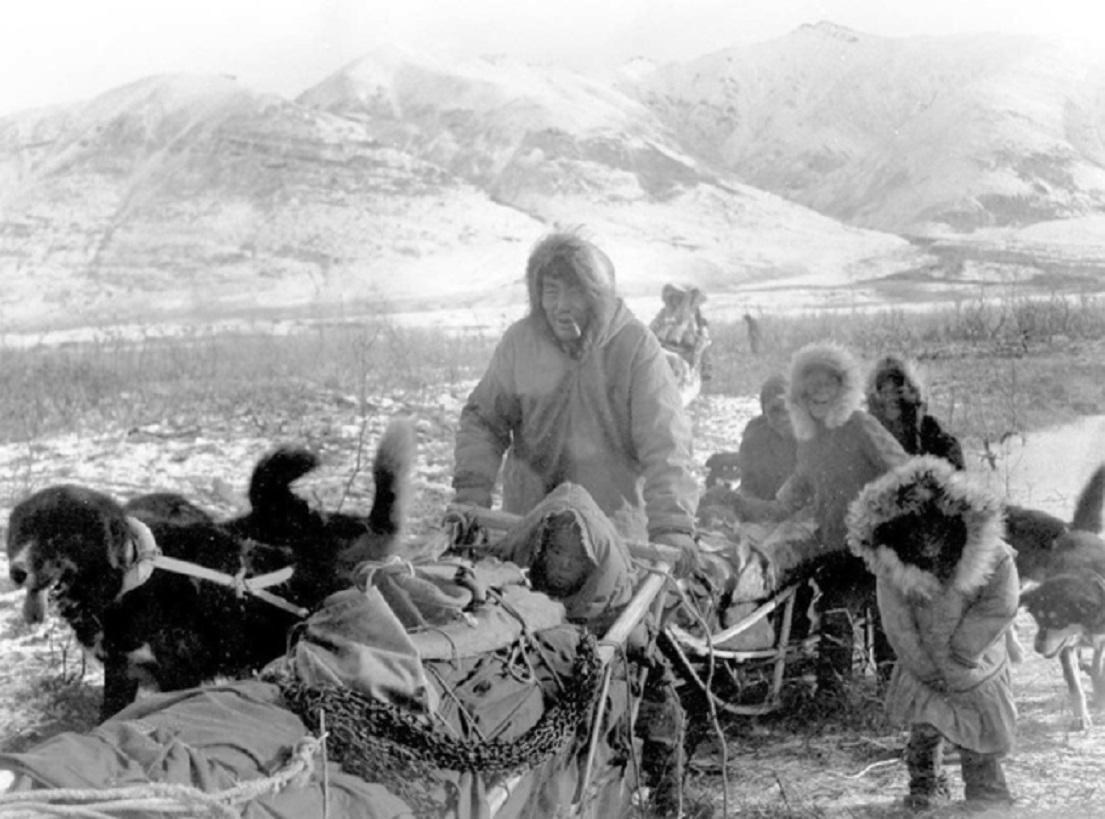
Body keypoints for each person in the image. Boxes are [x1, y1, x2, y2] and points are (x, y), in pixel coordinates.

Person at [451, 230, 702, 813]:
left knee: (632, 657)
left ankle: (667, 792)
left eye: (573, 293)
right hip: (529, 527)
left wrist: (672, 528)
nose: (559, 307)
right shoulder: (520, 345)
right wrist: (470, 494)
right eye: (548, 291)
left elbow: (666, 443)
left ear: (599, 294)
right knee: (528, 649)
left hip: (616, 538)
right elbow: (484, 419)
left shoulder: (634, 348)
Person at [732, 342, 910, 693]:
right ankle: (833, 699)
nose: (818, 394)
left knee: (886, 619)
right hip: (837, 545)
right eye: (809, 388)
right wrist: (752, 506)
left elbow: (904, 472)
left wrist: (884, 515)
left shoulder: (861, 426)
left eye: (825, 386)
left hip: (877, 544)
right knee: (835, 613)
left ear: (842, 387)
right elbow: (798, 487)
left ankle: (895, 695)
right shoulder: (810, 439)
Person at [847, 456, 1018, 811]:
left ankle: (987, 793)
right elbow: (897, 623)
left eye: (936, 528)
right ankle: (926, 785)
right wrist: (920, 665)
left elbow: (1000, 604)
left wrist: (966, 649)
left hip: (974, 664)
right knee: (925, 730)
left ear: (955, 518)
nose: (928, 541)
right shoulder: (893, 565)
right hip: (922, 665)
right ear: (899, 526)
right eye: (915, 530)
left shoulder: (991, 555)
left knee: (980, 734)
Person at [866, 355, 965, 469]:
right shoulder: (869, 435)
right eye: (885, 392)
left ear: (912, 391)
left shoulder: (934, 433)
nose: (891, 398)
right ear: (874, 396)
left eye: (898, 391)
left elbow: (955, 477)